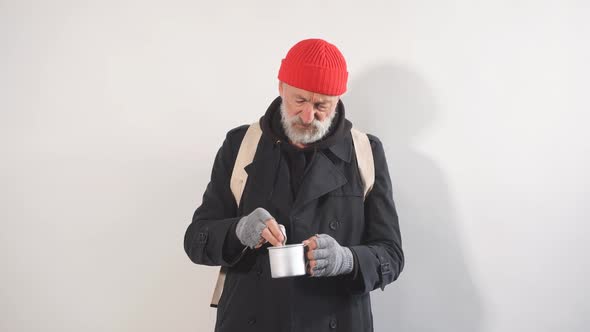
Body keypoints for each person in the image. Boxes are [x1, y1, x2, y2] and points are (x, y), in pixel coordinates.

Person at [184, 38, 404, 332]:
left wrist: (347, 260)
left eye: (321, 105)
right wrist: (238, 231)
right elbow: (196, 239)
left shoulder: (366, 151)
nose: (308, 116)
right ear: (281, 88)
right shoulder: (240, 144)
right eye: (299, 100)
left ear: (337, 100)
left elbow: (391, 254)